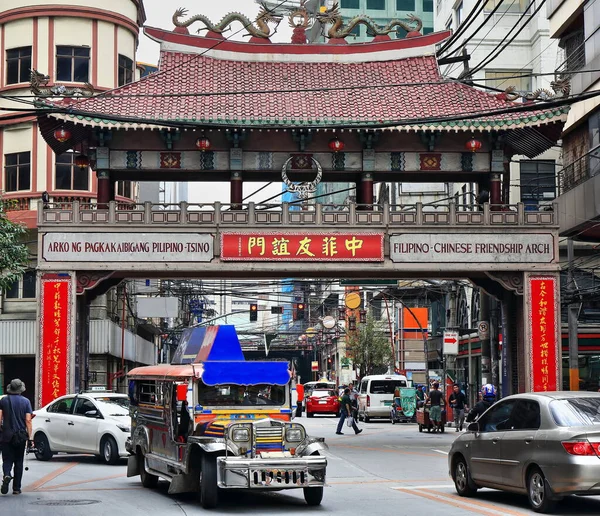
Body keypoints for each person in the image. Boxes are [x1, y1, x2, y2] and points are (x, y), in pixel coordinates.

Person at [0, 379, 33, 496]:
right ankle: (16, 488)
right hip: (20, 436)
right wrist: (30, 438)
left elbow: (0, 418)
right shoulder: (26, 402)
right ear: (20, 390)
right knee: (19, 461)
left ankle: (7, 474)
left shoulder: (4, 400)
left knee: (7, 459)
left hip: (6, 436)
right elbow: (28, 420)